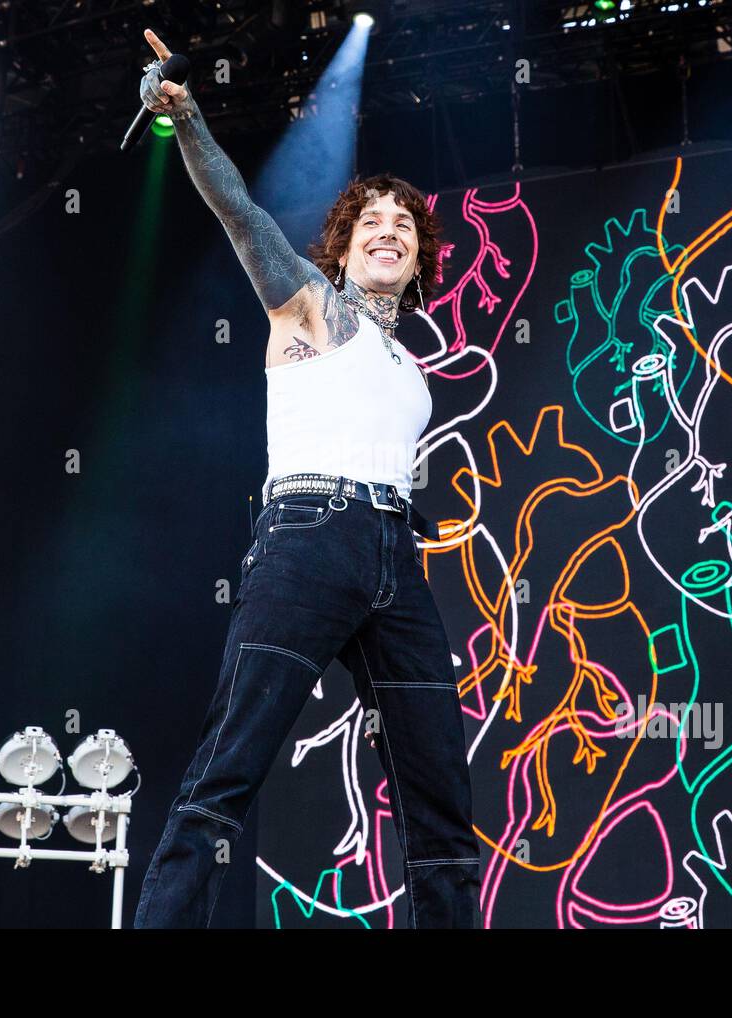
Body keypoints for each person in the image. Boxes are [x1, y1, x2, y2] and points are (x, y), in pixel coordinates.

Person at [132, 27, 482, 929]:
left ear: (420, 255)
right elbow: (240, 212)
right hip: (308, 537)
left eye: (404, 224)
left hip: (392, 555)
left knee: (440, 784)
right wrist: (186, 119)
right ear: (343, 246)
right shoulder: (309, 305)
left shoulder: (413, 373)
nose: (390, 230)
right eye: (372, 221)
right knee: (229, 765)